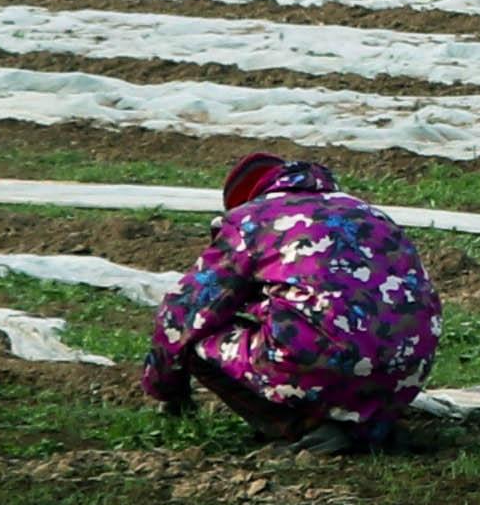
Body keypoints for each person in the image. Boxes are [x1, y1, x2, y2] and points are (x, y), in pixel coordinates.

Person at [141, 152, 442, 448]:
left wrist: (167, 388)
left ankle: (304, 427)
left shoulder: (250, 219)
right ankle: (372, 422)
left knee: (196, 338)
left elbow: (181, 314)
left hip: (330, 359)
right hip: (408, 367)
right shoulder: (368, 211)